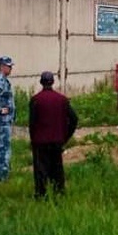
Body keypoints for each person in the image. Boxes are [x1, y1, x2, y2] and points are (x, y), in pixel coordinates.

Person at [28, 70, 78, 199]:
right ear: (53, 82)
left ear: (41, 82)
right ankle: (59, 193)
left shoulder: (36, 100)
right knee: (57, 168)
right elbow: (74, 119)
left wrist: (33, 139)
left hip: (40, 141)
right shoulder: (62, 100)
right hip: (57, 141)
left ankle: (41, 195)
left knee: (41, 170)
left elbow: (32, 123)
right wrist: (66, 136)